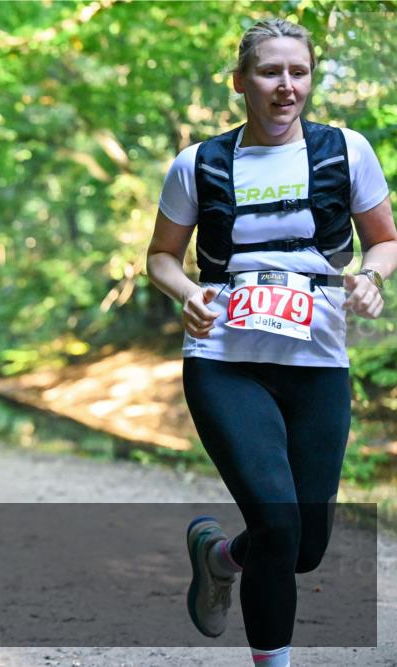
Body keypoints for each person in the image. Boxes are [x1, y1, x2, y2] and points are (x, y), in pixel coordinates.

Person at [146, 18, 396, 667]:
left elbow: (385, 239)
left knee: (304, 545)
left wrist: (372, 277)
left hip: (316, 362)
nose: (286, 87)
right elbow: (161, 258)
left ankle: (219, 557)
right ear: (240, 82)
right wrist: (188, 292)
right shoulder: (198, 163)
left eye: (299, 72)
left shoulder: (347, 151)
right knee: (279, 527)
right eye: (269, 72)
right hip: (224, 360)